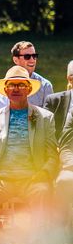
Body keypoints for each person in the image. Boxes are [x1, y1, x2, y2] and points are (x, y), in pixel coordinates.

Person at [0, 66, 57, 244]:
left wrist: (43, 173)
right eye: (11, 85)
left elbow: (52, 155)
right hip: (1, 179)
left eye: (21, 85)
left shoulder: (44, 117)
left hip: (32, 178)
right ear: (5, 90)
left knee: (42, 193)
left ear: (29, 89)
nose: (15, 89)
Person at [43, 60, 73, 223]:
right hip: (64, 159)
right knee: (64, 181)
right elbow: (64, 143)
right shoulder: (64, 107)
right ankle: (60, 234)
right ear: (70, 79)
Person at [10, 40, 54, 108]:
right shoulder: (5, 85)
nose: (32, 60)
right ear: (15, 60)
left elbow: (48, 116)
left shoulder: (45, 86)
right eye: (27, 56)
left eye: (34, 56)